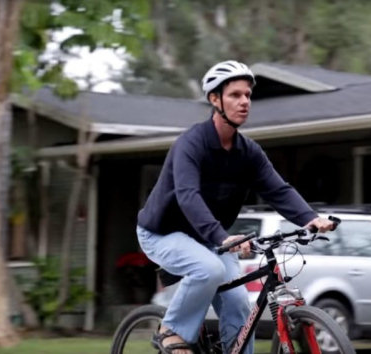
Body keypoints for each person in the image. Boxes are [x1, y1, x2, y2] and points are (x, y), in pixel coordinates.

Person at [136, 60, 335, 354]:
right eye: (235, 95)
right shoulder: (191, 144)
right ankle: (172, 330)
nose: (244, 102)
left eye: (247, 95)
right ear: (214, 99)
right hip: (162, 232)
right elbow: (188, 196)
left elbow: (278, 190)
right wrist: (223, 238)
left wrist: (310, 218)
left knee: (239, 303)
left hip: (209, 238)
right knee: (208, 269)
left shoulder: (248, 153)